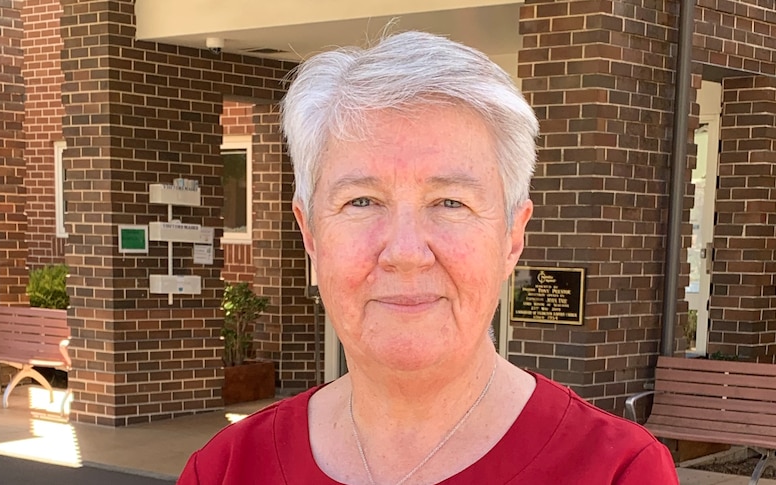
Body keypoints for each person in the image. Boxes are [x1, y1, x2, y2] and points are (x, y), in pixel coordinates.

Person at [177, 30, 679, 485]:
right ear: (311, 234)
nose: (405, 254)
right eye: (361, 201)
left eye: (450, 203)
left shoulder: (617, 471)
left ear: (512, 237)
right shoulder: (226, 470)